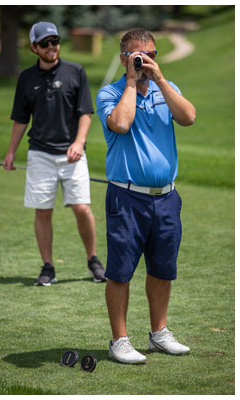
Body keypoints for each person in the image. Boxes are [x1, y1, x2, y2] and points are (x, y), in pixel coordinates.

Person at [96, 29, 196, 364]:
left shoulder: (168, 89)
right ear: (123, 57)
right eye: (137, 55)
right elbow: (121, 124)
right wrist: (131, 82)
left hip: (166, 197)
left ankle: (159, 333)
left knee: (163, 268)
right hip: (127, 197)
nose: (144, 59)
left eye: (150, 53)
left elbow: (188, 117)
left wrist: (160, 80)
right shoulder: (110, 93)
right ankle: (119, 340)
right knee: (121, 271)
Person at [3, 21, 106, 286]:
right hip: (40, 153)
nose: (52, 47)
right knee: (43, 212)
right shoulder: (26, 78)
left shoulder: (76, 71)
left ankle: (93, 260)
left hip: (72, 154)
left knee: (82, 208)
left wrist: (79, 143)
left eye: (55, 41)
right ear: (34, 47)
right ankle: (48, 267)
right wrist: (11, 152)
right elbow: (20, 118)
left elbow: (85, 112)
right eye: (45, 43)